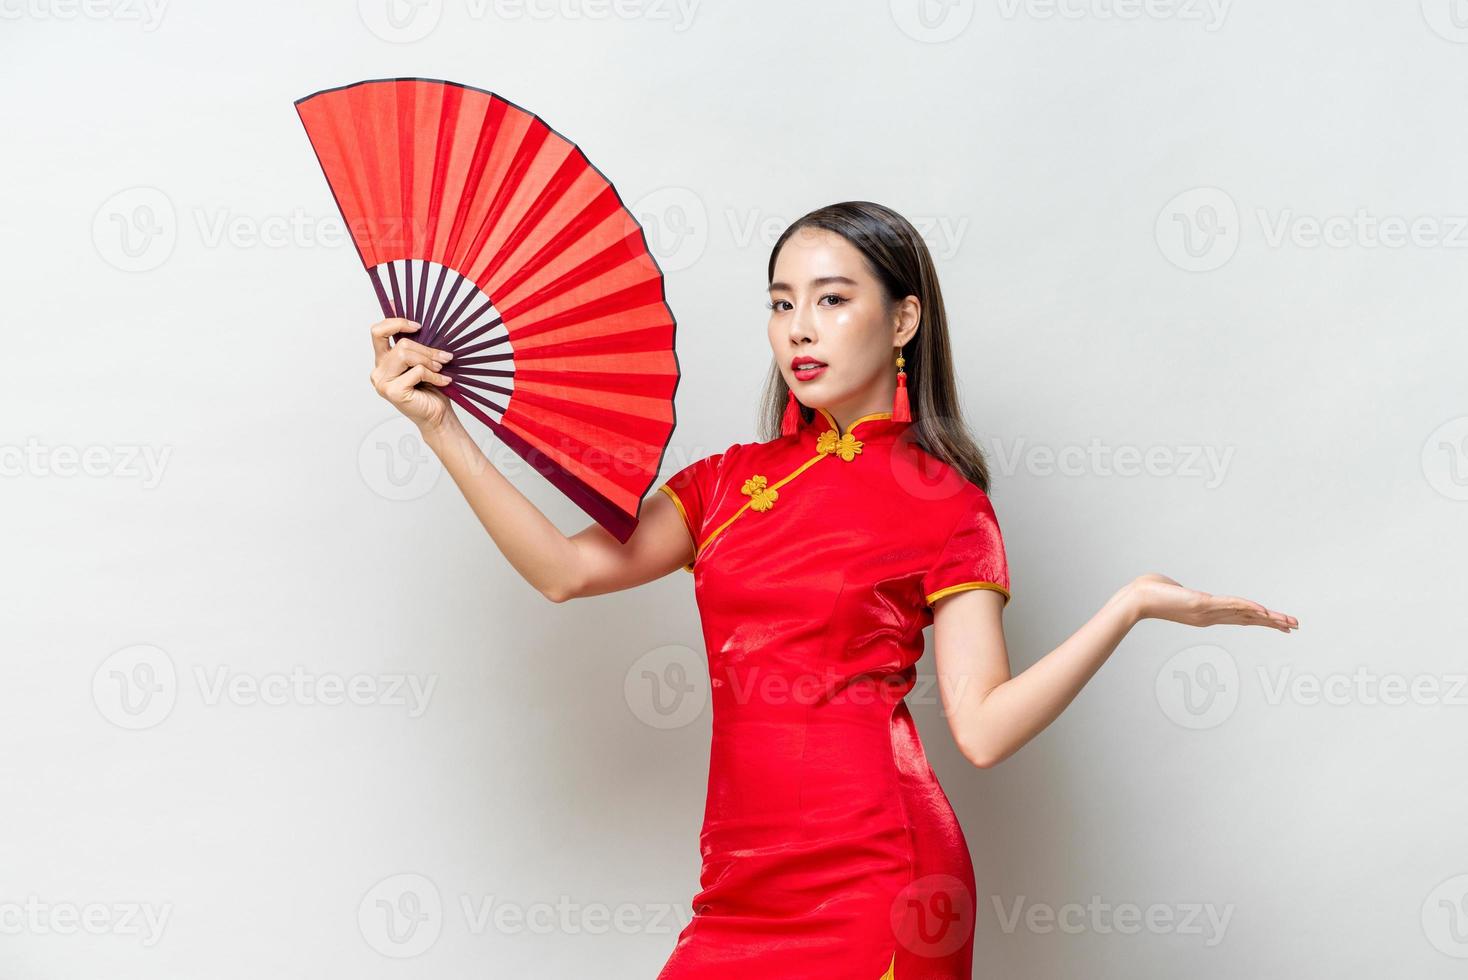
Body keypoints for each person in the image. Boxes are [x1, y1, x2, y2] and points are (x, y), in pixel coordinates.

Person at [366, 201, 1298, 978]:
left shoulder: (945, 502)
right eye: (781, 303)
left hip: (880, 881)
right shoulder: (725, 483)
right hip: (735, 886)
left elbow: (981, 729)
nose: (799, 328)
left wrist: (1126, 605)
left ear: (903, 319)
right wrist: (441, 428)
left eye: (832, 298)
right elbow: (565, 573)